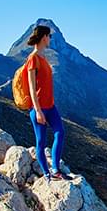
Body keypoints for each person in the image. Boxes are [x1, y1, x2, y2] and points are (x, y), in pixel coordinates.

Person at [25, 25, 72, 181]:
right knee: (41, 142)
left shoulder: (43, 58)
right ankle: (47, 174)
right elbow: (32, 88)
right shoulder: (33, 59)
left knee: (60, 132)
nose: (50, 39)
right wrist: (38, 111)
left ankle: (56, 169)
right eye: (49, 36)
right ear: (44, 37)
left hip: (50, 106)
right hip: (39, 109)